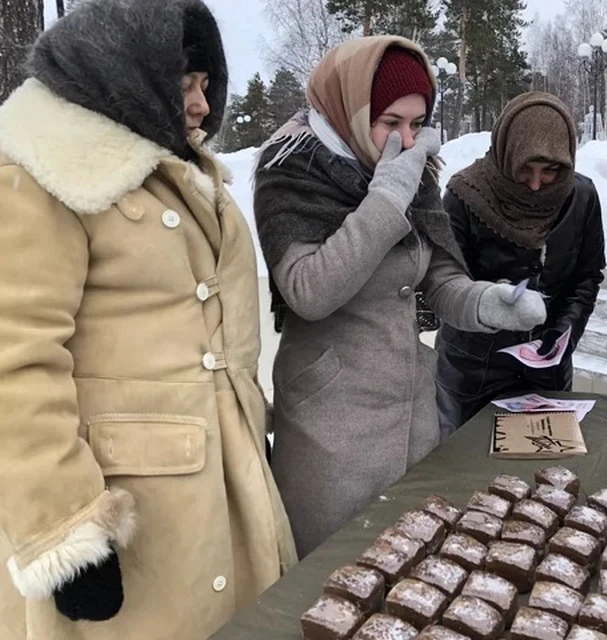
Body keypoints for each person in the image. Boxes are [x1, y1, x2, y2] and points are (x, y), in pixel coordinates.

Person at [0, 1, 297, 638]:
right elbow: (14, 363)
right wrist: (67, 527)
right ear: (123, 76)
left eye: (204, 86)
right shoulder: (42, 173)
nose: (201, 106)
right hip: (126, 511)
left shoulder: (168, 170)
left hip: (211, 480)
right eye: (186, 84)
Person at [254, 37, 546, 557]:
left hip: (413, 417)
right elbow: (310, 290)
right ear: (351, 107)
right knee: (336, 578)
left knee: (411, 575)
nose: (408, 141)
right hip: (331, 429)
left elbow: (438, 279)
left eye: (417, 124)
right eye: (390, 123)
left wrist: (484, 303)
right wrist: (386, 197)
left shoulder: (413, 172)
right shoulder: (292, 169)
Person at [436, 92, 605, 435]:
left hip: (547, 375)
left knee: (545, 480)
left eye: (551, 171)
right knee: (466, 477)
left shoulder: (581, 197)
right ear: (505, 154)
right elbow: (447, 283)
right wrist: (491, 302)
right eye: (524, 169)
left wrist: (564, 333)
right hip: (472, 372)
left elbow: (587, 276)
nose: (536, 183)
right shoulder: (463, 196)